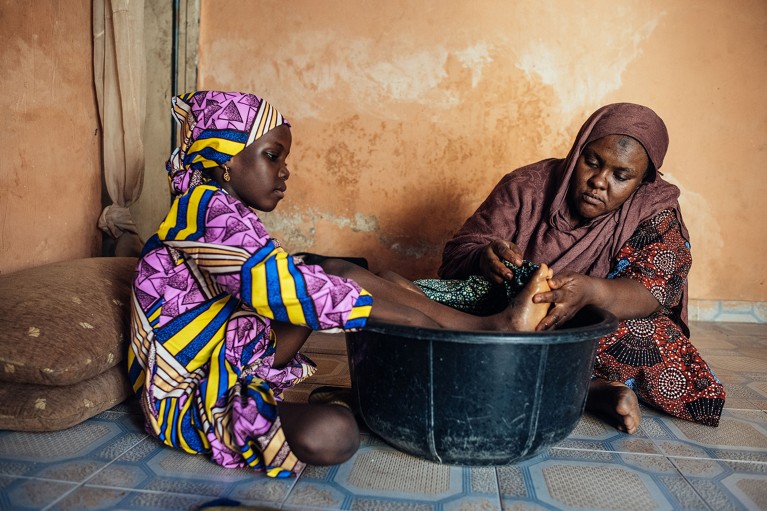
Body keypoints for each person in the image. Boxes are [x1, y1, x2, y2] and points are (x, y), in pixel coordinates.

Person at [127, 90, 554, 478]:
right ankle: (474, 332)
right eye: (272, 156)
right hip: (187, 398)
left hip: (235, 353)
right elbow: (277, 290)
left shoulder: (222, 210)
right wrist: (403, 315)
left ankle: (484, 329)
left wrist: (384, 298)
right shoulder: (203, 209)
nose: (285, 171)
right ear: (225, 162)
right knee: (334, 431)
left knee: (344, 272)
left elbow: (288, 279)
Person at [436, 103, 726, 434]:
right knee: (423, 304)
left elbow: (652, 292)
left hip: (585, 320)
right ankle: (587, 390)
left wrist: (589, 292)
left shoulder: (654, 210)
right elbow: (458, 256)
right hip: (505, 312)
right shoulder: (526, 186)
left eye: (621, 176)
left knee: (649, 340)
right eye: (592, 162)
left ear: (644, 180)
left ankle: (533, 372)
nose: (599, 182)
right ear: (578, 151)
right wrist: (482, 258)